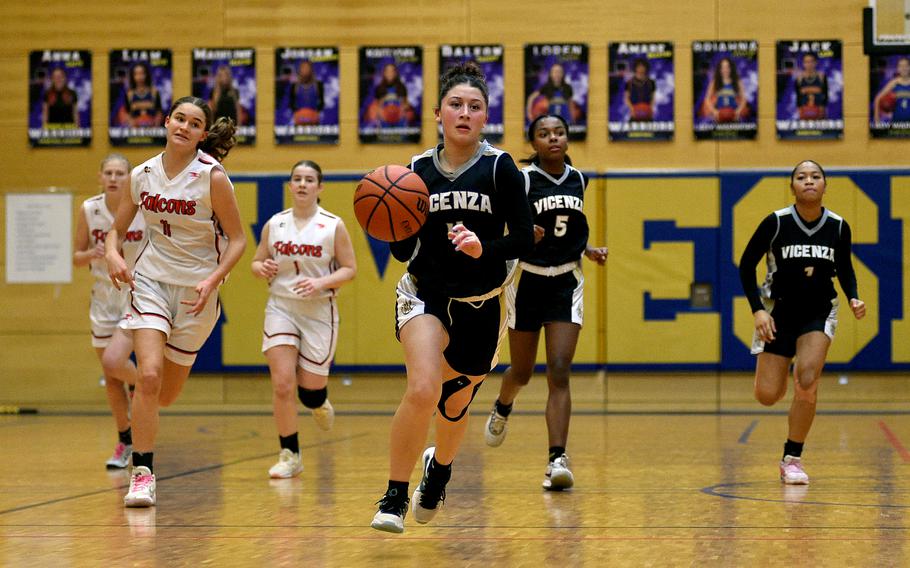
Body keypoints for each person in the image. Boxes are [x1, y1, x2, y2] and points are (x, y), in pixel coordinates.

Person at [370, 62, 534, 533]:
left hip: (483, 302)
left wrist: (485, 250)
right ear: (438, 113)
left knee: (455, 406)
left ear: (486, 117)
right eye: (456, 105)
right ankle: (394, 496)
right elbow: (403, 248)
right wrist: (391, 223)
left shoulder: (501, 168)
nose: (465, 113)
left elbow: (523, 239)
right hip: (426, 294)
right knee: (422, 388)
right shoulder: (416, 170)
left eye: (475, 106)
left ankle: (438, 471)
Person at [105, 96, 247, 507]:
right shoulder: (142, 174)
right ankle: (143, 473)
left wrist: (214, 278)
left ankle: (144, 411)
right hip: (149, 282)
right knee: (148, 377)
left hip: (196, 292)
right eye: (179, 118)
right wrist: (114, 253)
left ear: (203, 134)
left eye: (193, 122)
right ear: (167, 122)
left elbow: (238, 239)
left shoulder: (213, 177)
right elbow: (117, 231)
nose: (184, 126)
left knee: (164, 394)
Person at [483, 114, 607, 491]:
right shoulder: (521, 180)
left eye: (559, 132)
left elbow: (567, 225)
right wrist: (523, 235)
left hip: (566, 282)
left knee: (559, 368)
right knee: (521, 372)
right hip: (528, 280)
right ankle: (503, 405)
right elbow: (502, 225)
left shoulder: (579, 179)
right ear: (533, 142)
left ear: (568, 138)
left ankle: (556, 459)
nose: (553, 138)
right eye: (544, 134)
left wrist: (588, 249)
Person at [739, 160, 866, 485]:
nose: (809, 181)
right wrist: (758, 310)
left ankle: (791, 458)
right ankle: (783, 378)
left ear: (825, 184)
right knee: (767, 395)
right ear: (792, 185)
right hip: (778, 312)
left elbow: (845, 267)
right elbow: (746, 265)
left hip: (819, 311)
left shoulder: (838, 226)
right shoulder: (776, 223)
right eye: (801, 177)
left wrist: (853, 296)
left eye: (815, 176)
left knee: (807, 378)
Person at [251, 160, 356, 479]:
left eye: (309, 180)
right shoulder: (275, 224)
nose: (301, 184)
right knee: (283, 384)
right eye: (296, 179)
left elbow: (349, 269)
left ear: (320, 188)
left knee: (309, 390)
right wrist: (261, 268)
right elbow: (257, 261)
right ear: (289, 185)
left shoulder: (333, 225)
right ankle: (290, 453)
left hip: (318, 310)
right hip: (281, 306)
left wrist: (321, 283)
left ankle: (319, 400)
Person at [73, 154, 145, 469]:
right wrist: (93, 252)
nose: (114, 178)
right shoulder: (90, 209)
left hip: (137, 292)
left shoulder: (143, 207)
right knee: (110, 372)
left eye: (120, 173)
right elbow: (76, 257)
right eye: (109, 173)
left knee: (119, 364)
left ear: (129, 178)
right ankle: (125, 441)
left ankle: (147, 387)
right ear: (100, 177)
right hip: (103, 295)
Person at [703, 57, 748, 123]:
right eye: (723, 67)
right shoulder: (714, 82)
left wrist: (738, 111)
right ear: (720, 69)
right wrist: (714, 111)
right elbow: (707, 99)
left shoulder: (737, 81)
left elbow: (744, 99)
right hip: (719, 115)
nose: (725, 70)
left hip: (734, 115)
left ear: (731, 68)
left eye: (727, 67)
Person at [873, 57, 910, 125]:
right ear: (898, 69)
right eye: (900, 66)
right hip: (896, 123)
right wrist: (876, 119)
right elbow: (877, 98)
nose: (903, 68)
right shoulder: (894, 83)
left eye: (906, 65)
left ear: (909, 67)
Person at [125, 62, 163, 127]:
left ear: (146, 74)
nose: (139, 77)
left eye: (142, 73)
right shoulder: (129, 94)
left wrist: (156, 126)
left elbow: (159, 112)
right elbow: (127, 113)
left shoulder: (154, 92)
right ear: (132, 76)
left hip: (152, 130)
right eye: (136, 74)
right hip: (135, 131)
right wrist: (132, 124)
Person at [290, 61, 325, 125]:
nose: (305, 70)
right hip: (299, 120)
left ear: (311, 70)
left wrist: (316, 112)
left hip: (314, 120)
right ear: (300, 70)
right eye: (303, 68)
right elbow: (291, 103)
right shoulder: (294, 86)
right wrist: (296, 113)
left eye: (307, 67)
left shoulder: (319, 85)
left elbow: (322, 102)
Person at [795, 53, 828, 120]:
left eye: (811, 61)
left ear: (815, 63)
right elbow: (798, 97)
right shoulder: (799, 78)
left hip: (820, 113)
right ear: (803, 63)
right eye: (806, 62)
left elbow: (826, 95)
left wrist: (822, 109)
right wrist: (800, 111)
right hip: (804, 112)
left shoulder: (821, 76)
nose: (809, 64)